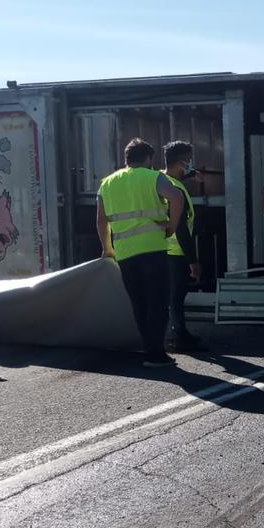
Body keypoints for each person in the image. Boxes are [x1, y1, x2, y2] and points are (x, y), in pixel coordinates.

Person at [97, 138, 185, 368]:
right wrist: (172, 226)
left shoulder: (107, 183)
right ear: (148, 159)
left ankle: (149, 350)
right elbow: (177, 197)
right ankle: (157, 354)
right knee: (158, 302)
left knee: (139, 303)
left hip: (125, 253)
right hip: (153, 249)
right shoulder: (153, 176)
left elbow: (100, 221)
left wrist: (107, 248)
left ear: (127, 159)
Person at [162, 140, 206, 353]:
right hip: (176, 251)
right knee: (176, 297)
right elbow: (181, 229)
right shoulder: (176, 189)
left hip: (163, 249)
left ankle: (177, 333)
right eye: (189, 160)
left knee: (172, 296)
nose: (191, 163)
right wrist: (193, 261)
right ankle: (178, 336)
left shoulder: (161, 181)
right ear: (181, 161)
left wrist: (190, 175)